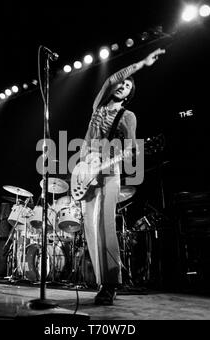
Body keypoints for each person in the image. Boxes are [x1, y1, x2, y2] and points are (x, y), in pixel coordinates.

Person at [79, 48, 165, 305]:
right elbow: (110, 79)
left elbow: (129, 151)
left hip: (108, 172)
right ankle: (100, 281)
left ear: (129, 94)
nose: (122, 86)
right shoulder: (98, 106)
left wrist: (108, 162)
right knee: (90, 228)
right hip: (85, 171)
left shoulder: (128, 116)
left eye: (128, 86)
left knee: (106, 226)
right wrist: (140, 64)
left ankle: (111, 283)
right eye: (121, 83)